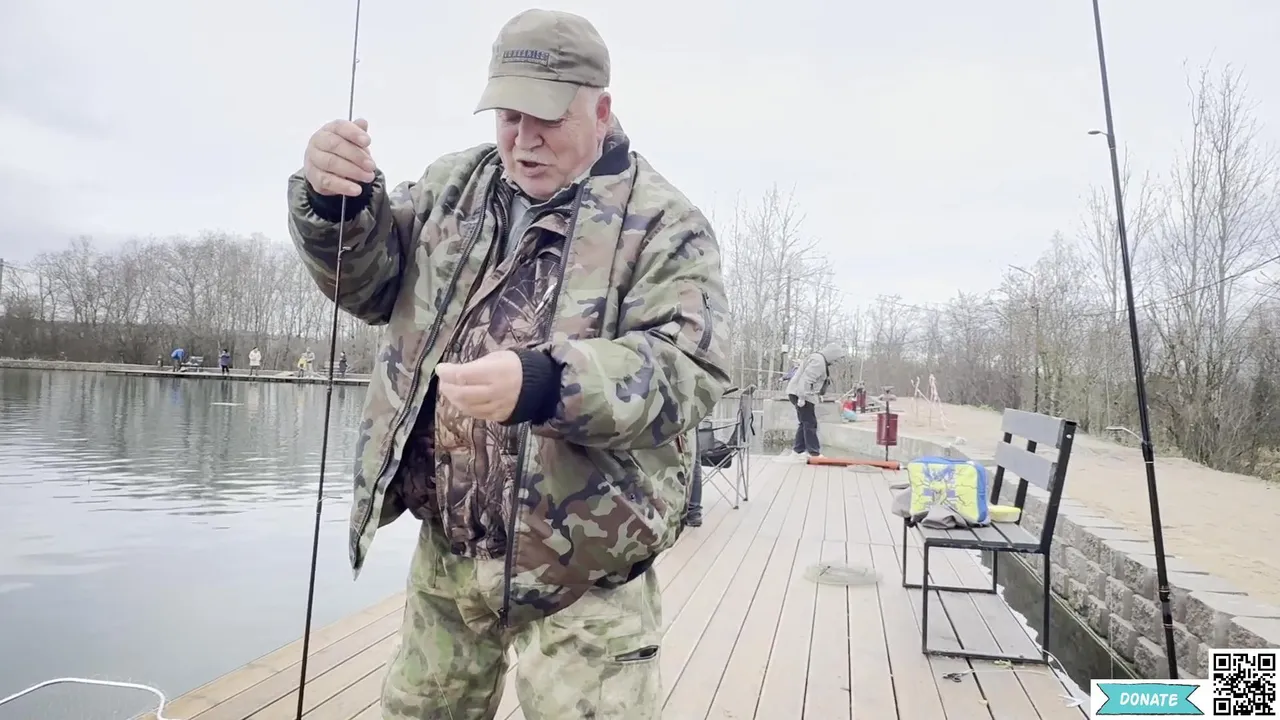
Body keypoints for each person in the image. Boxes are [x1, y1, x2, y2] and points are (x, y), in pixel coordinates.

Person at [286, 9, 729, 719]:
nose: (523, 140)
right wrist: (335, 206)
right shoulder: (451, 185)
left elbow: (687, 369)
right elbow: (369, 286)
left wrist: (548, 383)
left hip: (586, 579)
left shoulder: (664, 223)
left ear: (601, 111)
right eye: (509, 116)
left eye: (547, 119)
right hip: (450, 553)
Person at [784, 342, 848, 458]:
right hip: (802, 394)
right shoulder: (819, 362)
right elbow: (806, 380)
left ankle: (798, 451)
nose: (835, 362)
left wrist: (816, 394)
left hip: (798, 392)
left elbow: (813, 382)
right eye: (835, 359)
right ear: (832, 355)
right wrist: (802, 397)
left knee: (805, 422)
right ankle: (813, 452)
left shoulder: (817, 358)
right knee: (810, 423)